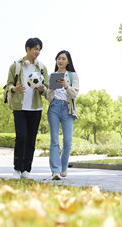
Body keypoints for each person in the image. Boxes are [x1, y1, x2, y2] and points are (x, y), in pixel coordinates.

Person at [5, 38, 48, 179]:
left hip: (36, 108)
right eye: (35, 48)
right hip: (20, 107)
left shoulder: (42, 68)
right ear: (27, 49)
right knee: (21, 137)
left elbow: (47, 87)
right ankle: (17, 169)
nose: (37, 52)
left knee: (31, 139)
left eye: (39, 49)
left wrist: (42, 89)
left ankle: (26, 170)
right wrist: (15, 89)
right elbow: (8, 85)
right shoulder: (16, 66)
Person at [45, 50, 79, 180]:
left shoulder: (72, 76)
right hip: (54, 107)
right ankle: (55, 171)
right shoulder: (52, 76)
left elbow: (74, 94)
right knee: (54, 140)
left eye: (63, 58)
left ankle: (63, 167)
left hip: (67, 109)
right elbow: (48, 97)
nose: (60, 60)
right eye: (58, 58)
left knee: (68, 141)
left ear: (68, 61)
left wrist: (65, 86)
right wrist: (52, 88)